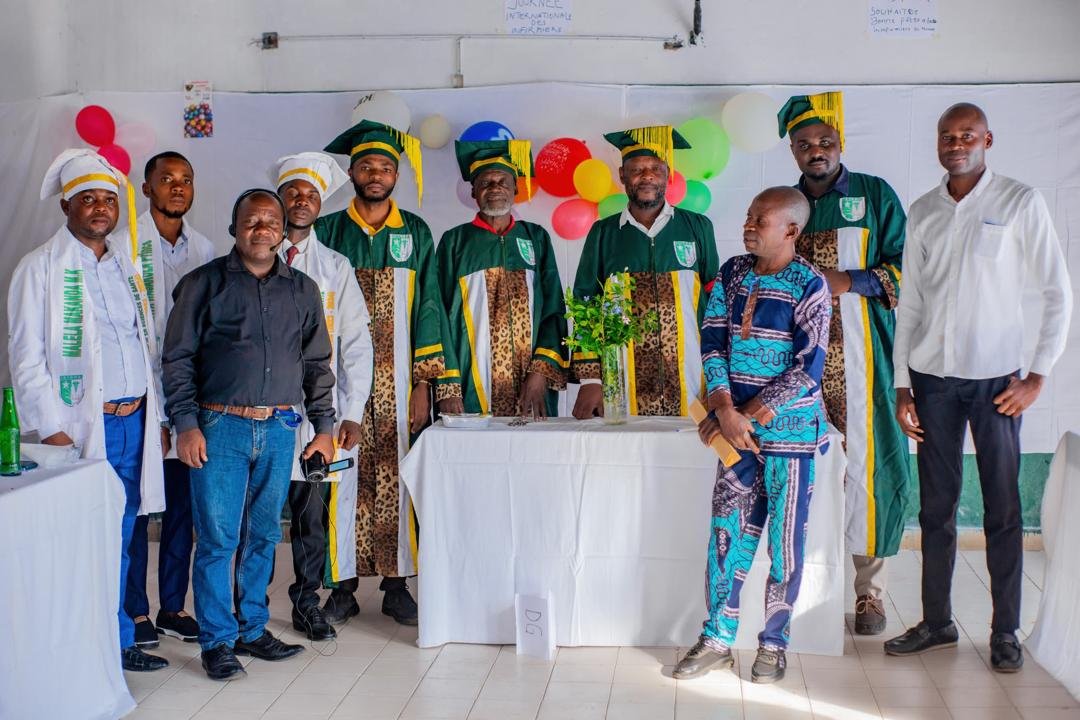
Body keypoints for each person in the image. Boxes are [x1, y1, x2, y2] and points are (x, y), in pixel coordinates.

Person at [885, 103, 1073, 672]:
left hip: (997, 381)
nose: (956, 144)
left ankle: (1004, 631)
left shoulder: (1019, 202)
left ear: (987, 140)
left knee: (1003, 508)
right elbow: (910, 303)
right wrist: (902, 385)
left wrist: (1038, 374)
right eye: (947, 136)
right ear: (937, 143)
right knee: (935, 509)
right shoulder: (924, 210)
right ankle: (937, 622)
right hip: (932, 380)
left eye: (967, 135)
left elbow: (1057, 291)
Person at [162, 188, 336, 680]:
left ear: (283, 230)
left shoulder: (302, 289)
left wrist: (323, 428)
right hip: (219, 427)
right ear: (234, 228)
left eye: (270, 222)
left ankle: (252, 629)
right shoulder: (203, 284)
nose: (262, 230)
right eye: (251, 221)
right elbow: (177, 359)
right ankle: (217, 641)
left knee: (263, 534)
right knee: (218, 539)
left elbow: (317, 363)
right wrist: (186, 425)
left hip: (280, 427)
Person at [8, 149, 169, 672]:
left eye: (108, 199)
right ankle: (90, 644)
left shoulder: (125, 264)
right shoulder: (40, 268)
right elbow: (25, 358)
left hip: (135, 420)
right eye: (88, 199)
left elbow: (146, 345)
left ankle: (116, 641)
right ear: (66, 205)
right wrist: (52, 429)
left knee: (122, 532)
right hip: (82, 428)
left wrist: (159, 417)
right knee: (84, 536)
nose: (101, 208)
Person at [673, 186, 830, 684]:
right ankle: (717, 639)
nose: (748, 225)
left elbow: (808, 368)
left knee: (784, 546)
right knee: (726, 537)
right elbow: (712, 342)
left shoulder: (810, 284)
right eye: (747, 216)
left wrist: (746, 416)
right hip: (736, 438)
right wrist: (723, 410)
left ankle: (774, 643)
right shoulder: (732, 273)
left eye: (759, 219)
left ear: (791, 230)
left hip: (790, 438)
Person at [779, 91, 910, 636]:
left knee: (869, 471)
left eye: (825, 141)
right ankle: (800, 593)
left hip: (864, 357)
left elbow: (909, 269)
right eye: (805, 143)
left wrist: (848, 281)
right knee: (802, 474)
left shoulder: (874, 195)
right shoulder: (784, 204)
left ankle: (869, 595)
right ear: (793, 151)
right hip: (797, 363)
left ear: (840, 143)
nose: (817, 150)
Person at [316, 119, 448, 626]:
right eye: (367, 166)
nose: (376, 174)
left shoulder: (414, 231)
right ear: (351, 172)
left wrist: (424, 383)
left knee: (399, 474)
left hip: (399, 380)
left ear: (396, 175)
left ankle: (397, 585)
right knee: (340, 475)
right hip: (338, 379)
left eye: (385, 167)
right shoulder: (328, 230)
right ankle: (341, 587)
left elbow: (430, 307)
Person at [270, 152, 374, 641]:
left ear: (319, 205)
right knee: (258, 519)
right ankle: (248, 610)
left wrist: (350, 413)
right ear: (278, 199)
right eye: (292, 192)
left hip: (318, 417)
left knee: (311, 516)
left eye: (310, 194)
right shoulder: (254, 258)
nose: (301, 200)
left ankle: (306, 602)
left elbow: (356, 344)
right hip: (261, 414)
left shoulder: (335, 266)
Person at [121, 151, 215, 647]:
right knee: (138, 510)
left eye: (186, 179)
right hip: (140, 400)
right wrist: (154, 412)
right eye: (167, 179)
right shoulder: (123, 245)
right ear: (147, 188)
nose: (177, 187)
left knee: (183, 508)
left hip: (188, 399)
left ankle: (173, 608)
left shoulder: (205, 248)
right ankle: (135, 609)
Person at [571, 126, 719, 418]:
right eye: (637, 169)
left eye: (655, 168)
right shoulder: (603, 233)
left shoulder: (698, 227)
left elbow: (716, 301)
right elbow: (585, 305)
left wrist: (720, 375)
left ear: (668, 174)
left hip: (690, 372)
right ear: (622, 175)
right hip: (622, 374)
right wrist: (591, 379)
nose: (647, 176)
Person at [436, 139, 568, 417]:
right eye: (485, 182)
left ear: (515, 188)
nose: (495, 188)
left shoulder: (536, 238)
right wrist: (449, 385)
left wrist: (540, 372)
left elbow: (554, 311)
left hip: (532, 385)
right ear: (473, 191)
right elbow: (439, 316)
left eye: (503, 182)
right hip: (471, 383)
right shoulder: (454, 242)